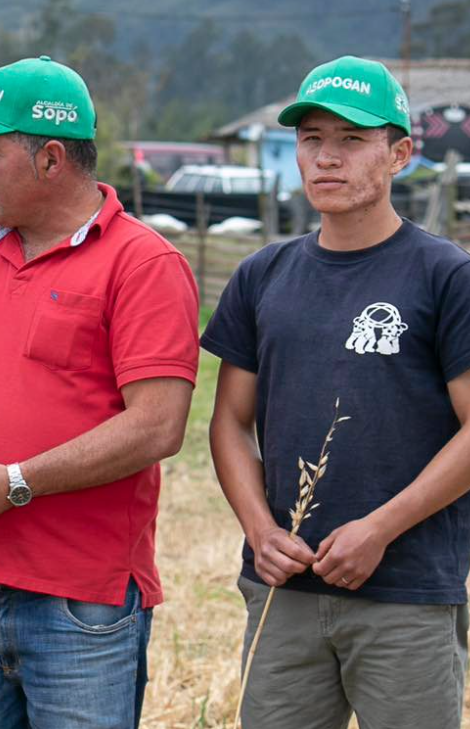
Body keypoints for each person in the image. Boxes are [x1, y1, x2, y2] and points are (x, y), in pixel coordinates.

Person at [0, 56, 199, 728]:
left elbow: (157, 426)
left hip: (79, 598)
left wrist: (17, 482)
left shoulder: (143, 263)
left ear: (51, 158)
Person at [203, 56, 470, 728]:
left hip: (405, 592)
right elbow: (229, 423)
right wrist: (259, 531)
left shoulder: (444, 275)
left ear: (400, 153)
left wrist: (379, 529)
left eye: (351, 140)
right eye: (311, 139)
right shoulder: (262, 274)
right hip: (284, 589)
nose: (326, 158)